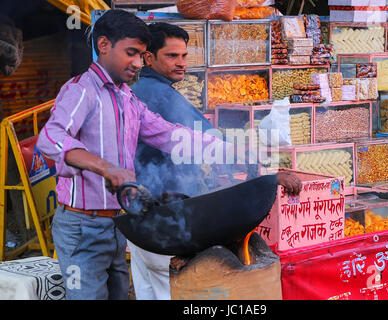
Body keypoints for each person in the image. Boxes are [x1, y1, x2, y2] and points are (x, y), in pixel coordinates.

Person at [36, 10, 229, 300]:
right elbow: (51, 138)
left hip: (117, 224)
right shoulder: (80, 90)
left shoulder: (126, 96)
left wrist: (231, 148)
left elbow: (166, 133)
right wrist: (106, 168)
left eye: (140, 54)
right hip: (82, 227)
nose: (138, 63)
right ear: (103, 45)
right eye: (131, 53)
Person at [130, 22, 302, 300]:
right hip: (166, 216)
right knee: (170, 289)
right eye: (171, 56)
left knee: (147, 288)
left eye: (185, 56)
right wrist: (264, 172)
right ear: (148, 58)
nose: (181, 63)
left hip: (138, 211)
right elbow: (206, 139)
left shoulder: (138, 89)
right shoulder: (158, 94)